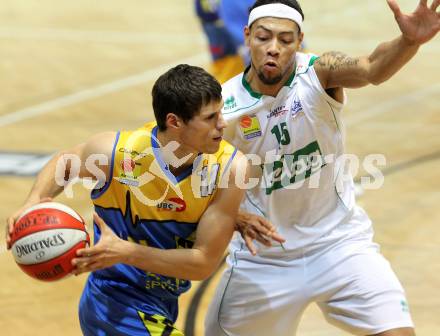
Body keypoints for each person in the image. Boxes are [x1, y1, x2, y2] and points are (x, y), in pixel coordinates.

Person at [205, 1, 439, 336]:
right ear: (247, 36)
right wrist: (235, 217)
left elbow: (372, 67)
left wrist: (409, 41)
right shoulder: (223, 105)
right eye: (263, 37)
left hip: (339, 245)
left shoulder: (319, 72)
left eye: (285, 40)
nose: (273, 49)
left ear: (300, 40)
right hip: (263, 261)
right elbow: (195, 179)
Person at [5, 64, 268, 336]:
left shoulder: (230, 167)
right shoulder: (118, 153)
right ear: (174, 122)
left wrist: (126, 252)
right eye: (210, 117)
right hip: (114, 303)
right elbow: (66, 161)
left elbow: (202, 263)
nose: (223, 124)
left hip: (161, 303)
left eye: (221, 112)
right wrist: (35, 199)